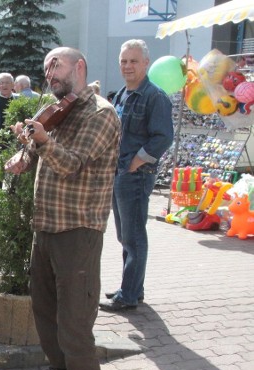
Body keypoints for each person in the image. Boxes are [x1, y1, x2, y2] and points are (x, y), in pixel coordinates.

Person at [5, 47, 120, 370]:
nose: (49, 74)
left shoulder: (101, 113)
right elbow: (48, 156)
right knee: (45, 311)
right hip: (47, 226)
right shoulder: (61, 110)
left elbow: (72, 163)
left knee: (74, 321)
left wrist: (44, 142)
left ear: (80, 66)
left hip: (78, 230)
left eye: (56, 66)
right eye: (45, 69)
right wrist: (26, 156)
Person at [100, 39, 173, 313]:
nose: (127, 66)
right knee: (125, 236)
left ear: (146, 63)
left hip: (135, 176)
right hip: (119, 174)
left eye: (133, 61)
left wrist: (136, 162)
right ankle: (131, 287)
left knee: (133, 237)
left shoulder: (155, 96)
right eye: (123, 61)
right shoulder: (122, 94)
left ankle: (128, 294)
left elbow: (163, 136)